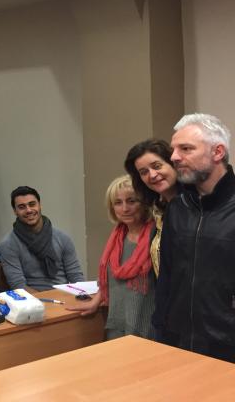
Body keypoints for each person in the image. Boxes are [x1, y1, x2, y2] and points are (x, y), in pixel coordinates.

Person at [155, 113, 235, 362]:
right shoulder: (178, 207)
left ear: (218, 152)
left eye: (186, 148)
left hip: (227, 347)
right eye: (174, 149)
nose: (174, 157)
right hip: (178, 342)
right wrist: (161, 329)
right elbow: (167, 276)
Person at [67, 176, 156, 340]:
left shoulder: (156, 238)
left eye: (131, 201)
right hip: (116, 323)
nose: (125, 208)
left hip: (146, 328)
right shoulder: (117, 238)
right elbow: (109, 279)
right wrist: (95, 301)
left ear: (144, 203)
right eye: (118, 203)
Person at [0, 185, 84, 291]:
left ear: (40, 205)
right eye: (22, 207)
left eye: (32, 204)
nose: (28, 210)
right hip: (32, 299)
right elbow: (18, 285)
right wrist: (44, 300)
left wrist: (83, 295)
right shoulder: (9, 244)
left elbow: (76, 276)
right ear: (15, 211)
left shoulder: (63, 238)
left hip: (64, 296)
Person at [124, 139, 178, 277]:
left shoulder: (195, 207)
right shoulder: (158, 212)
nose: (152, 175)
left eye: (157, 166)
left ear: (173, 164)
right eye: (144, 172)